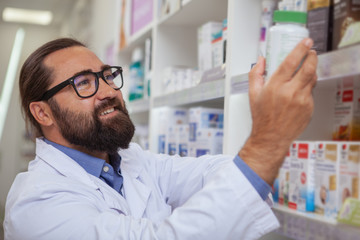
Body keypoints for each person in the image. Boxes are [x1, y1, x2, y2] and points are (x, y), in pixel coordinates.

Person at [3, 37, 317, 240]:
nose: (110, 91)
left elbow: (208, 171)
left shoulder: (129, 161)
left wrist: (264, 156)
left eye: (108, 76)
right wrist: (267, 142)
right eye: (84, 83)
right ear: (43, 113)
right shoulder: (36, 205)